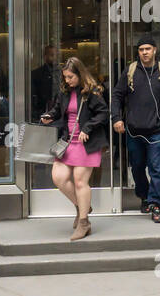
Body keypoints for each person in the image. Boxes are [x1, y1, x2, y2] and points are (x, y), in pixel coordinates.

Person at [111, 34, 160, 224]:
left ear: (154, 50)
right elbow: (117, 95)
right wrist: (117, 118)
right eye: (141, 49)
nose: (145, 52)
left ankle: (157, 205)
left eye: (148, 49)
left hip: (158, 131)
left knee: (157, 169)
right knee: (137, 168)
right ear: (138, 52)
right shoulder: (131, 71)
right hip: (134, 131)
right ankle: (144, 196)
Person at [40, 57, 109, 240]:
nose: (68, 80)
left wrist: (87, 128)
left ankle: (84, 222)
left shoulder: (91, 92)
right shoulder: (64, 91)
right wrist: (49, 116)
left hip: (86, 142)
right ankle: (82, 206)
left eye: (71, 77)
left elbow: (103, 113)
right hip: (68, 141)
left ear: (80, 74)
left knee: (80, 181)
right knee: (58, 177)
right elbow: (57, 109)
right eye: (65, 77)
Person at [30, 45, 60, 121]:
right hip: (42, 110)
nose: (54, 58)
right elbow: (33, 95)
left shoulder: (62, 72)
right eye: (52, 55)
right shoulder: (36, 73)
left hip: (60, 108)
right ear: (45, 56)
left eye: (56, 55)